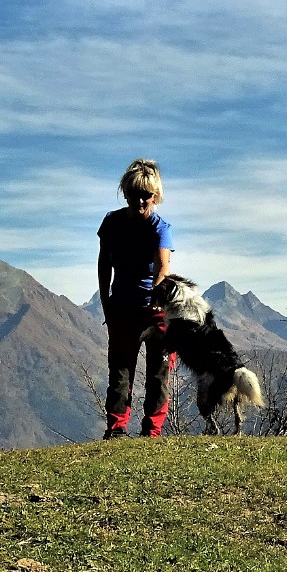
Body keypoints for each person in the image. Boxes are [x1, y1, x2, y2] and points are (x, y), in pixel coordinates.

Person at [98, 159, 176, 439]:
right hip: (122, 307)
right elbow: (104, 263)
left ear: (156, 196)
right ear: (126, 192)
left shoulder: (160, 229)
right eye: (135, 193)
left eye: (147, 195)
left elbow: (162, 268)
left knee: (159, 373)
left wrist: (156, 297)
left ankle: (151, 432)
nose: (140, 200)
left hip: (156, 311)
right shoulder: (111, 223)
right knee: (120, 373)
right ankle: (116, 430)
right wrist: (106, 301)